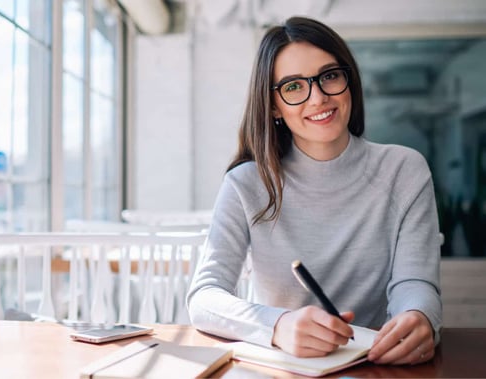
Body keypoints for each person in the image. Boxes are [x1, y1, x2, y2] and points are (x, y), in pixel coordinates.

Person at [186, 16, 441, 366]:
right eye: (293, 87)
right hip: (284, 366)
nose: (318, 98)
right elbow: (204, 297)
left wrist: (420, 315)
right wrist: (276, 325)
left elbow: (415, 281)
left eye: (330, 76)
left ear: (348, 80)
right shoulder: (245, 183)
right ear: (273, 105)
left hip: (377, 363)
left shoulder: (404, 169)